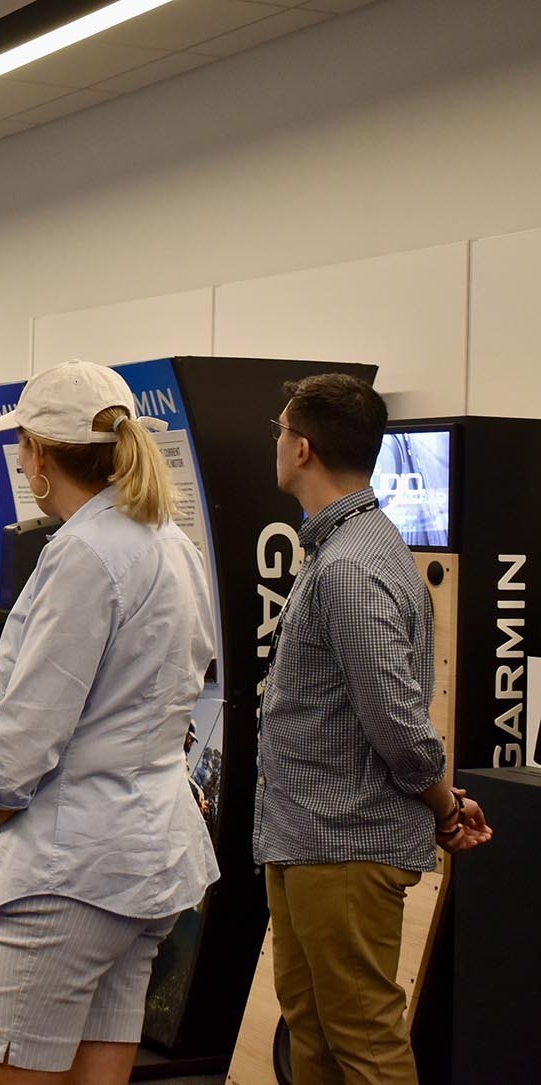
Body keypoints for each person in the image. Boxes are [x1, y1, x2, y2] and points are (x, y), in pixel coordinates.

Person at [0, 360, 219, 1084]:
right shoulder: (174, 546)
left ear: (37, 454)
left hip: (71, 870)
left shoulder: (82, 555)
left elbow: (23, 743)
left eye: (23, 444)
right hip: (145, 861)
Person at [258, 373, 491, 1085]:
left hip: (345, 843)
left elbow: (395, 720)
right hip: (309, 837)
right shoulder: (340, 549)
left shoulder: (353, 565)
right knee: (315, 1033)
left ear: (302, 447)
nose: (277, 442)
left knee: (362, 1040)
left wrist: (445, 804)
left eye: (279, 430)